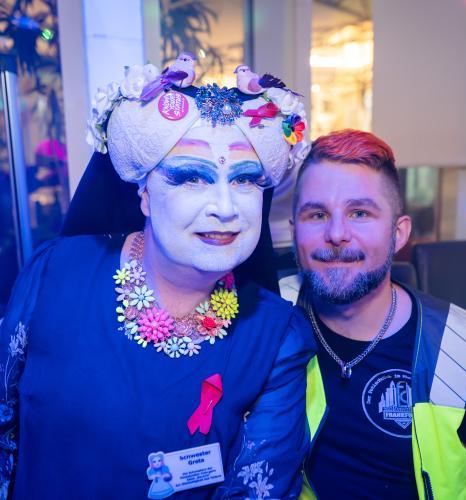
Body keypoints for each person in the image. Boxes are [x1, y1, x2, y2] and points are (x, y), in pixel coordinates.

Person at [0, 57, 315, 499]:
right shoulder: (55, 274)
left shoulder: (277, 336)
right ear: (145, 194)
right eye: (191, 178)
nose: (225, 208)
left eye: (245, 181)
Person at [280, 129, 466, 499]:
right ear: (294, 231)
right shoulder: (267, 318)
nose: (336, 234)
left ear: (398, 234)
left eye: (360, 213)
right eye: (317, 214)